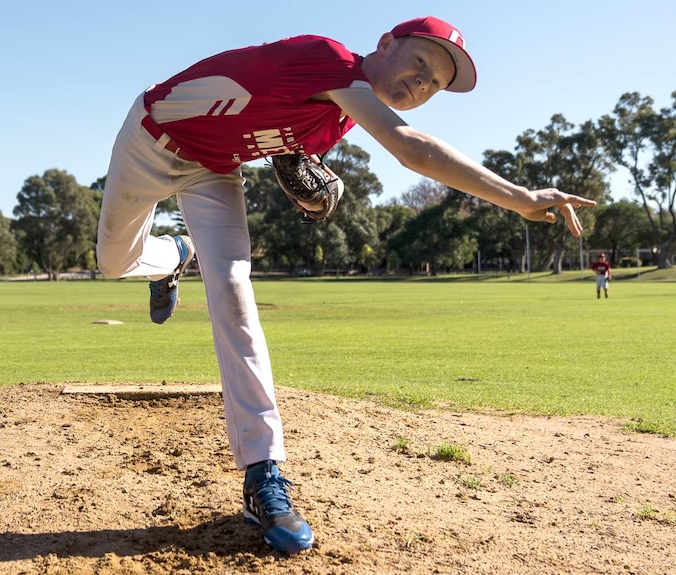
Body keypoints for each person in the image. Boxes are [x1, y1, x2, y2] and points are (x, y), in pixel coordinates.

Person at [95, 16, 597, 554]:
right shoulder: (329, 58)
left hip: (214, 170)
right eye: (420, 62)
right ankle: (173, 254)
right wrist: (519, 198)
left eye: (434, 83)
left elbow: (277, 133)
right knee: (113, 262)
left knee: (236, 294)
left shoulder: (338, 123)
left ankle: (264, 474)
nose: (421, 82)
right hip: (151, 137)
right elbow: (412, 149)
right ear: (384, 44)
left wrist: (296, 161)